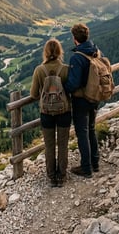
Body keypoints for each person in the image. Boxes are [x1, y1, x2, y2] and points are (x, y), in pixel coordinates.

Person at [30, 38, 71, 187]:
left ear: (45, 52)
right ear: (60, 52)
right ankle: (62, 176)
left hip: (46, 112)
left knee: (49, 145)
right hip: (64, 111)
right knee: (63, 144)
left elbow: (34, 94)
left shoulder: (39, 70)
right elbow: (72, 89)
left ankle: (51, 176)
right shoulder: (66, 69)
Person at [64, 23, 100, 178]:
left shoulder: (77, 57)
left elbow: (73, 84)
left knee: (82, 132)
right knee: (91, 129)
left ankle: (86, 168)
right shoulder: (96, 52)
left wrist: (63, 88)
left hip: (81, 100)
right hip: (95, 97)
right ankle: (95, 163)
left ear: (74, 38)